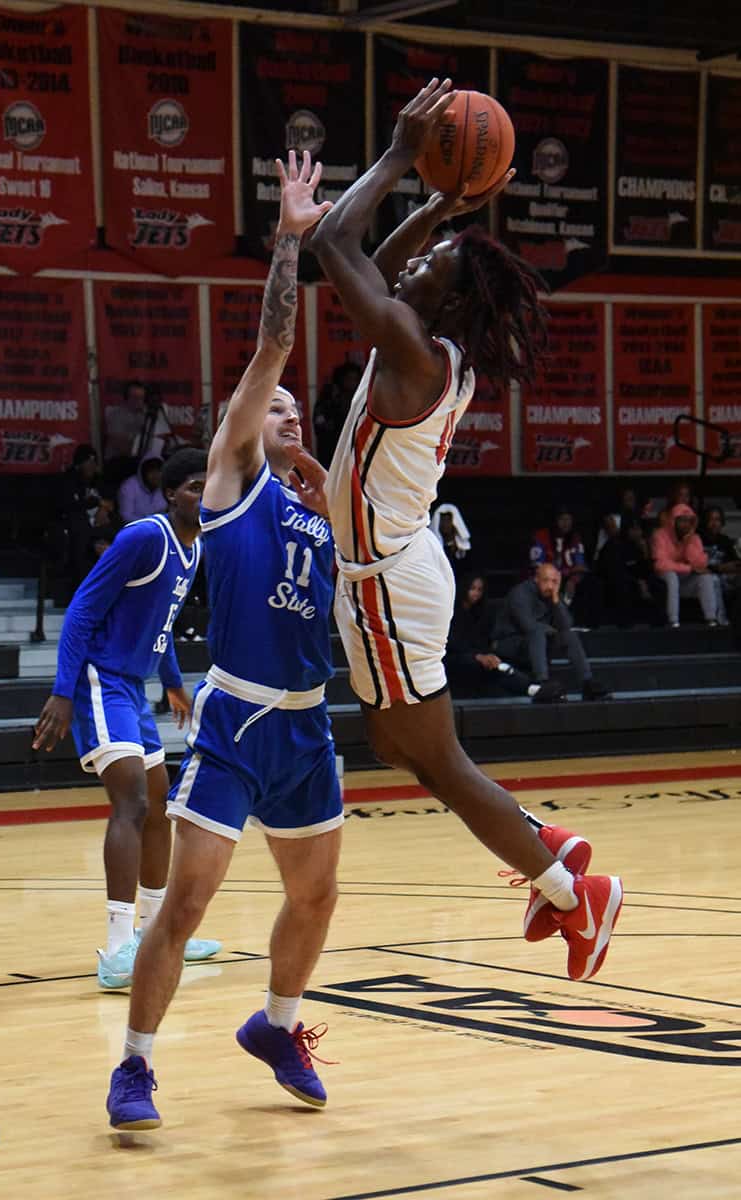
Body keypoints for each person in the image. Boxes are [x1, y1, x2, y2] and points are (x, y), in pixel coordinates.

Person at [308, 78, 622, 983]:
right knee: (394, 744)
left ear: (442, 305)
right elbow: (377, 260)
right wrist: (444, 203)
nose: (410, 266)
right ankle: (544, 841)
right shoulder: (425, 343)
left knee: (434, 758)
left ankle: (570, 890)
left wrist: (405, 154)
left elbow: (338, 243)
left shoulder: (410, 351)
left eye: (432, 264)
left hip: (389, 582)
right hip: (387, 574)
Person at [105, 150, 340, 1132]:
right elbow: (272, 352)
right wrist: (289, 239)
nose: (286, 410)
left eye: (293, 410)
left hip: (309, 726)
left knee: (316, 899)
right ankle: (135, 1067)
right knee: (190, 902)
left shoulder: (317, 507)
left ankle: (278, 1025)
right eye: (273, 407)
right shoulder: (234, 476)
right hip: (238, 719)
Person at [33, 448, 221, 989]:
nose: (202, 497)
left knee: (161, 806)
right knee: (133, 803)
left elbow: (159, 622)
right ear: (170, 493)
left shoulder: (194, 549)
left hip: (135, 688)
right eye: (192, 488)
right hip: (100, 679)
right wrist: (63, 692)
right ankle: (117, 949)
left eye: (209, 489)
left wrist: (173, 681)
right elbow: (83, 610)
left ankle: (161, 933)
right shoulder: (145, 538)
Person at [493, 564, 612, 699]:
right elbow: (528, 625)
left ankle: (588, 683)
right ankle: (542, 683)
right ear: (536, 579)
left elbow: (566, 625)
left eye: (554, 581)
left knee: (569, 635)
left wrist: (556, 600)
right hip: (510, 641)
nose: (550, 586)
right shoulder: (520, 593)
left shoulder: (552, 594)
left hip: (537, 642)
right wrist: (554, 631)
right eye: (546, 580)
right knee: (537, 631)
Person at [445, 573, 564, 701]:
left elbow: (483, 641)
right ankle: (534, 689)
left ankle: (534, 689)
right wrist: (477, 656)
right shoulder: (451, 613)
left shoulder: (481, 613)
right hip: (456, 658)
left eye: (479, 590)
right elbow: (453, 643)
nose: (476, 593)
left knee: (502, 667)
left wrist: (486, 655)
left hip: (479, 656)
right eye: (472, 589)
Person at [650, 503, 722, 627]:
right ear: (674, 521)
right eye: (682, 521)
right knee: (671, 576)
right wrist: (688, 568)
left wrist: (689, 542)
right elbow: (660, 564)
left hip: (684, 581)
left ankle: (711, 619)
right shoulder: (660, 535)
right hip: (663, 580)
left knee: (706, 577)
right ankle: (673, 620)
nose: (686, 524)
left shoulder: (694, 538)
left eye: (689, 521)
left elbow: (700, 565)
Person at [59, 444, 117, 588]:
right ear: (79, 464)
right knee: (82, 536)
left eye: (93, 462)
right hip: (77, 527)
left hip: (100, 526)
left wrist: (103, 509)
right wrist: (97, 502)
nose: (91, 466)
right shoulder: (69, 480)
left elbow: (110, 502)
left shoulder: (99, 480)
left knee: (119, 533)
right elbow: (69, 505)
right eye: (88, 462)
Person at [595, 515, 666, 627]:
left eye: (639, 529)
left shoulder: (640, 545)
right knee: (625, 586)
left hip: (638, 579)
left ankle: (658, 624)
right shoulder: (615, 544)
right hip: (616, 580)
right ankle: (626, 625)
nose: (638, 532)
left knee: (660, 585)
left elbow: (647, 570)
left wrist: (645, 553)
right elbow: (615, 570)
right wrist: (638, 582)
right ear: (627, 530)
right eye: (634, 529)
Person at [313, 361, 363, 467]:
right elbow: (319, 424)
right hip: (331, 452)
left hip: (355, 454)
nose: (352, 382)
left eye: (355, 379)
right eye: (349, 379)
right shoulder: (328, 398)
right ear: (341, 379)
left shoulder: (361, 399)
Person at [700, 505, 740, 625]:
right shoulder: (698, 540)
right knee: (714, 579)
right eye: (711, 519)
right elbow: (697, 565)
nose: (715, 523)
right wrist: (719, 568)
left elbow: (736, 561)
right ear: (705, 521)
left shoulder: (725, 540)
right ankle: (720, 620)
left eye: (717, 520)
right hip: (707, 576)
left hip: (726, 576)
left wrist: (733, 566)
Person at [117, 453, 167, 524]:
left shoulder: (163, 487)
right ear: (143, 472)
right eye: (151, 471)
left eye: (159, 471)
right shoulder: (128, 487)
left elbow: (163, 511)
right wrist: (148, 524)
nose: (156, 475)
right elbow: (126, 516)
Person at [430, 502, 472, 571]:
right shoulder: (433, 547)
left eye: (448, 520)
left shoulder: (463, 549)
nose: (445, 524)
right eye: (443, 520)